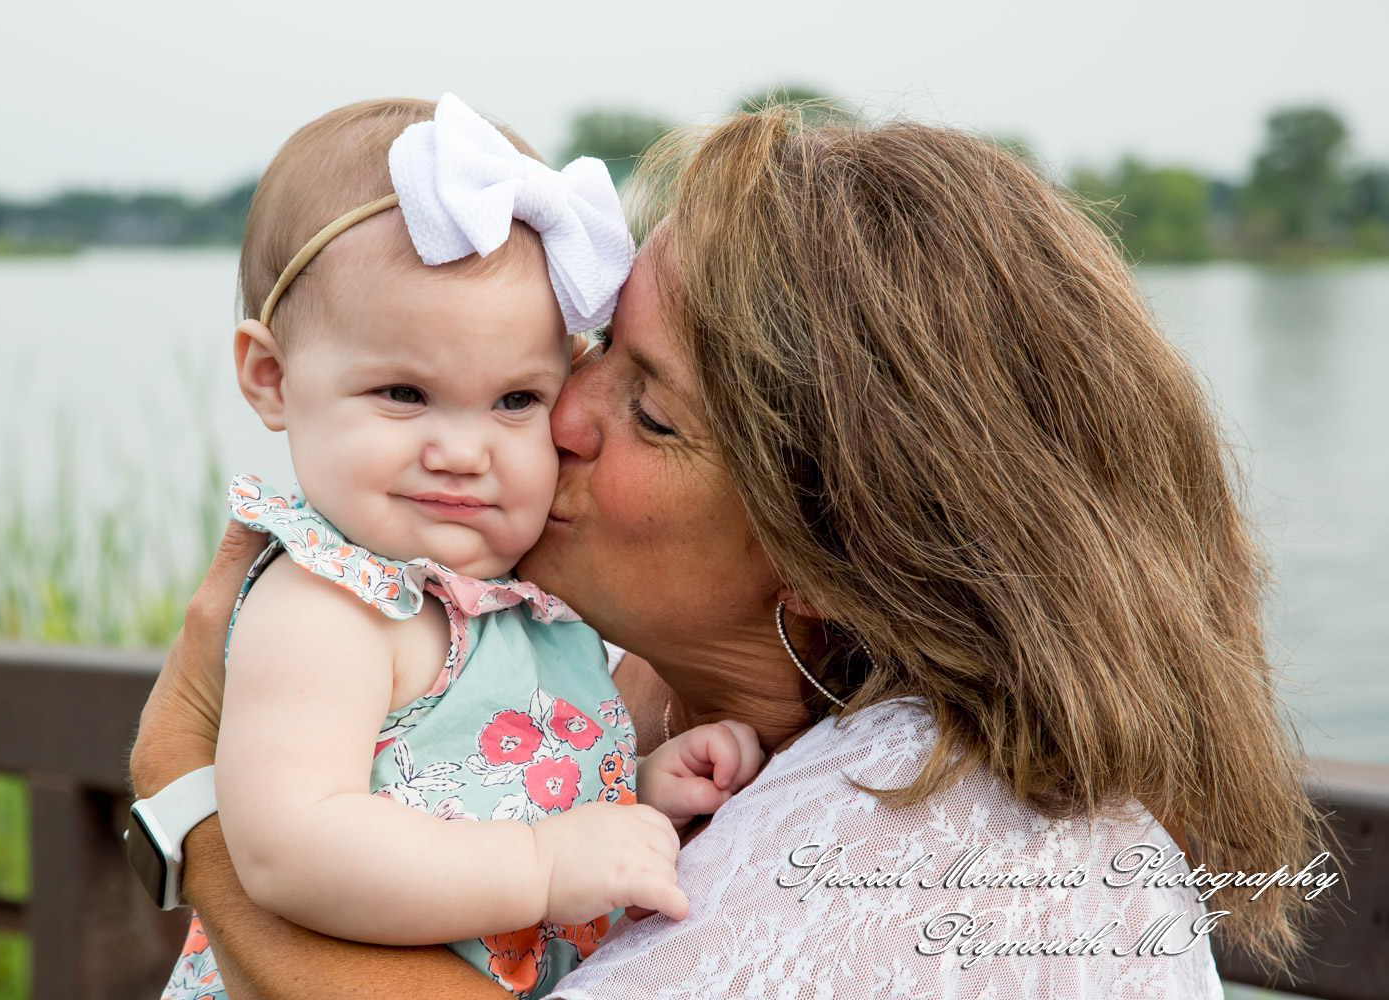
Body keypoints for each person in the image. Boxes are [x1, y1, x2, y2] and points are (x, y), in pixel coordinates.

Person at [131, 102, 1325, 999]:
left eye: (651, 411)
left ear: (842, 550)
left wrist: (187, 792)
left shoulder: (936, 852)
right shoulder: (629, 686)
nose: (561, 418)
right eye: (596, 348)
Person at [159, 94, 765, 1000]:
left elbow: (482, 776)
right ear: (272, 378)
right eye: (404, 392)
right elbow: (290, 848)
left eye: (516, 400)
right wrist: (540, 863)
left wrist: (633, 792)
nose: (462, 450)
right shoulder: (333, 604)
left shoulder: (509, 600)